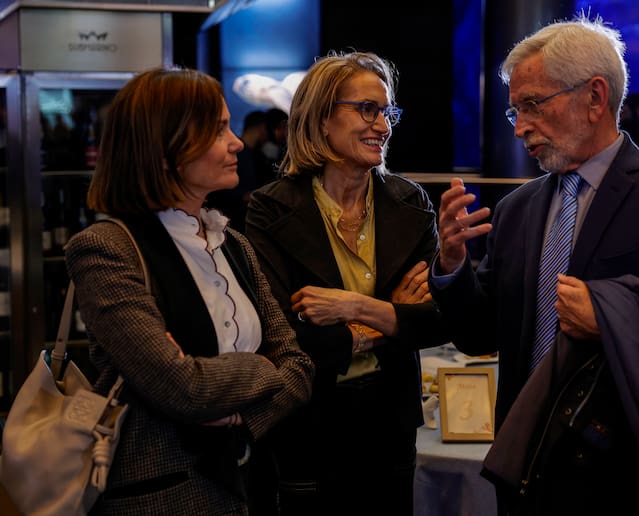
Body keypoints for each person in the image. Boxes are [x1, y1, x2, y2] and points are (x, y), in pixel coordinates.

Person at [428, 13, 639, 516]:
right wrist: (453, 266)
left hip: (622, 481)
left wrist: (615, 317)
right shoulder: (517, 210)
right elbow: (479, 336)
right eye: (514, 111)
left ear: (595, 97)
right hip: (523, 466)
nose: (519, 128)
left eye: (533, 105)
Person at [64, 66, 314, 515]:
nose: (237, 143)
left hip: (252, 487)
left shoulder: (232, 243)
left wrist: (241, 415)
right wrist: (260, 367)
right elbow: (182, 389)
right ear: (164, 150)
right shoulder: (108, 250)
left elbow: (298, 367)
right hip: (165, 498)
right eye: (218, 130)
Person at [245, 50, 449, 516]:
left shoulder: (410, 203)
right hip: (308, 426)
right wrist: (389, 316)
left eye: (387, 112)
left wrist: (352, 309)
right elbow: (281, 337)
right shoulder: (270, 209)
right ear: (321, 119)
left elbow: (435, 321)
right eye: (367, 109)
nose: (383, 126)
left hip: (391, 425)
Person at [207, 110, 275, 231]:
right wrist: (244, 196)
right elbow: (219, 191)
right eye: (220, 130)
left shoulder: (257, 156)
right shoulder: (240, 154)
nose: (238, 144)